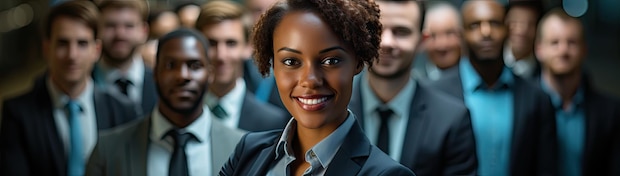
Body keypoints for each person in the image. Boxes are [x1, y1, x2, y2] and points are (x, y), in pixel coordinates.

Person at [220, 0, 414, 175]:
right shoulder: (248, 151)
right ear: (273, 65)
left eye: (330, 61)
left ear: (357, 62)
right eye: (291, 61)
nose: (310, 80)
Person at [1, 1, 138, 175]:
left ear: (96, 50)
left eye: (82, 43)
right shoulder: (18, 114)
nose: (72, 55)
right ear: (46, 48)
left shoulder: (123, 110)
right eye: (62, 43)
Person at [86, 29, 245, 176]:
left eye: (194, 65)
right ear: (155, 73)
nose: (182, 75)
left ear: (210, 74)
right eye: (170, 65)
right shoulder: (109, 149)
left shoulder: (243, 149)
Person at [348, 0, 476, 175]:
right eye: (376, 30)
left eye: (401, 32)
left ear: (422, 41)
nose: (386, 42)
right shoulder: (330, 108)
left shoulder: (452, 120)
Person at [430, 0, 557, 175]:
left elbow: (546, 168)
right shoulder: (435, 93)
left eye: (495, 23)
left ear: (508, 30)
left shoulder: (536, 98)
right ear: (461, 34)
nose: (486, 32)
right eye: (475, 25)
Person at [535, 8, 620, 176]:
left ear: (585, 49)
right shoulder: (520, 106)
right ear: (539, 49)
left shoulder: (612, 112)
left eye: (572, 42)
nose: (563, 51)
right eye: (554, 42)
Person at [195, 0, 289, 132]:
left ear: (248, 47)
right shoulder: (179, 112)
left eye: (231, 43)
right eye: (211, 43)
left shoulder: (273, 121)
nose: (221, 55)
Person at [93, 0, 157, 117]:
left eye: (129, 26)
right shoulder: (83, 84)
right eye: (110, 25)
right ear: (97, 30)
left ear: (144, 31)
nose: (120, 34)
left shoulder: (159, 83)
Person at [415, 1, 464, 83]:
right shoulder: (416, 80)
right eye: (433, 36)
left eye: (449, 33)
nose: (441, 44)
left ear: (462, 35)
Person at [503, 0, 543, 80]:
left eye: (530, 24)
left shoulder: (545, 72)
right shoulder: (491, 62)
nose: (521, 31)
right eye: (515, 23)